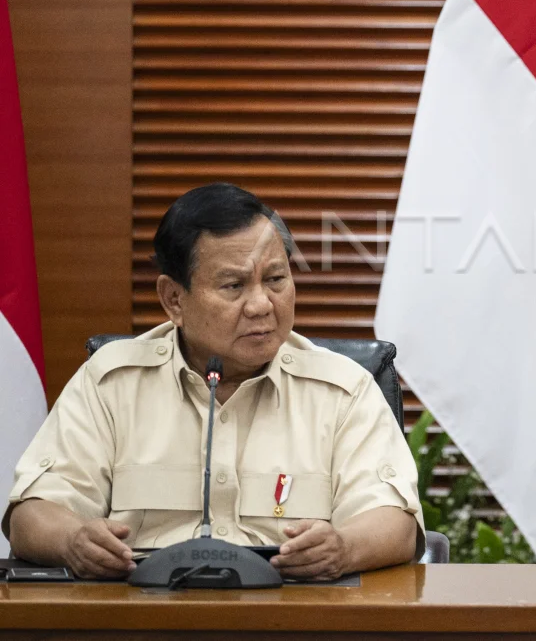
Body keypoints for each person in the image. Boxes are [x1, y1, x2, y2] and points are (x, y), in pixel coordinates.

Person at [4, 183, 424, 579]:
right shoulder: (111, 383)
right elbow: (32, 515)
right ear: (174, 299)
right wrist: (73, 540)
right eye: (234, 285)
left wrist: (343, 548)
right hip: (145, 614)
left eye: (276, 280)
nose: (261, 305)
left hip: (292, 614)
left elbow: (395, 523)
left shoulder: (343, 390)